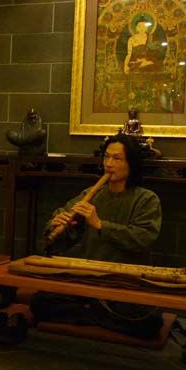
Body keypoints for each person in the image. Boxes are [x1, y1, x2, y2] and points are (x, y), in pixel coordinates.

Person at [31, 133, 164, 338]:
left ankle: (89, 312)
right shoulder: (90, 194)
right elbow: (60, 235)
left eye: (117, 158)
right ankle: (99, 313)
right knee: (40, 302)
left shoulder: (146, 199)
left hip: (125, 283)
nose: (109, 164)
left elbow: (143, 238)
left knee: (150, 321)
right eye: (106, 157)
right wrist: (58, 225)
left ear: (131, 164)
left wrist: (100, 225)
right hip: (90, 279)